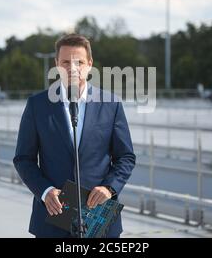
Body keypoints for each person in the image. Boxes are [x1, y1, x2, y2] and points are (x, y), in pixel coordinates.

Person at [13, 33, 136, 238]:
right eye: (65, 62)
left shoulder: (111, 104)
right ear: (56, 64)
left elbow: (126, 157)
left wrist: (109, 188)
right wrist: (44, 191)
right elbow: (23, 159)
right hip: (52, 217)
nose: (73, 67)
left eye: (79, 61)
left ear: (89, 64)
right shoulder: (37, 105)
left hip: (99, 219)